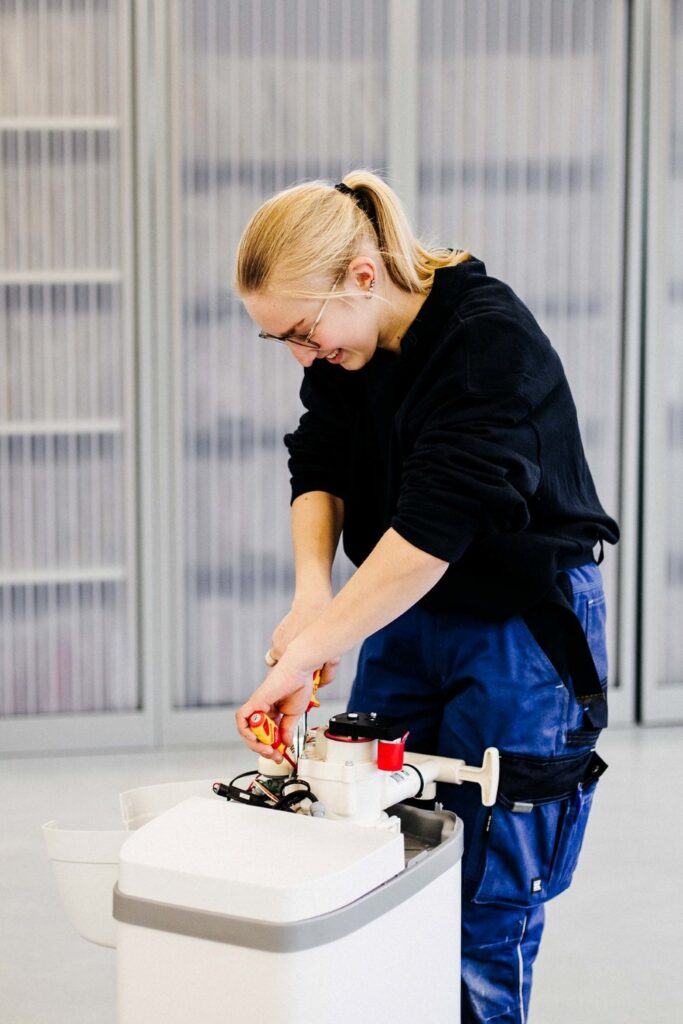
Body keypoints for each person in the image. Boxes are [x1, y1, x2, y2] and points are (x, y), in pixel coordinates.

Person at [233, 169, 619, 1023]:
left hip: (521, 627)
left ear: (362, 277)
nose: (304, 356)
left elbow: (434, 532)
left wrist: (312, 648)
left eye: (303, 332)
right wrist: (310, 601)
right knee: (376, 850)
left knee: (488, 901)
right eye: (282, 343)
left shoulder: (486, 345)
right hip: (404, 613)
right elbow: (320, 461)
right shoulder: (348, 344)